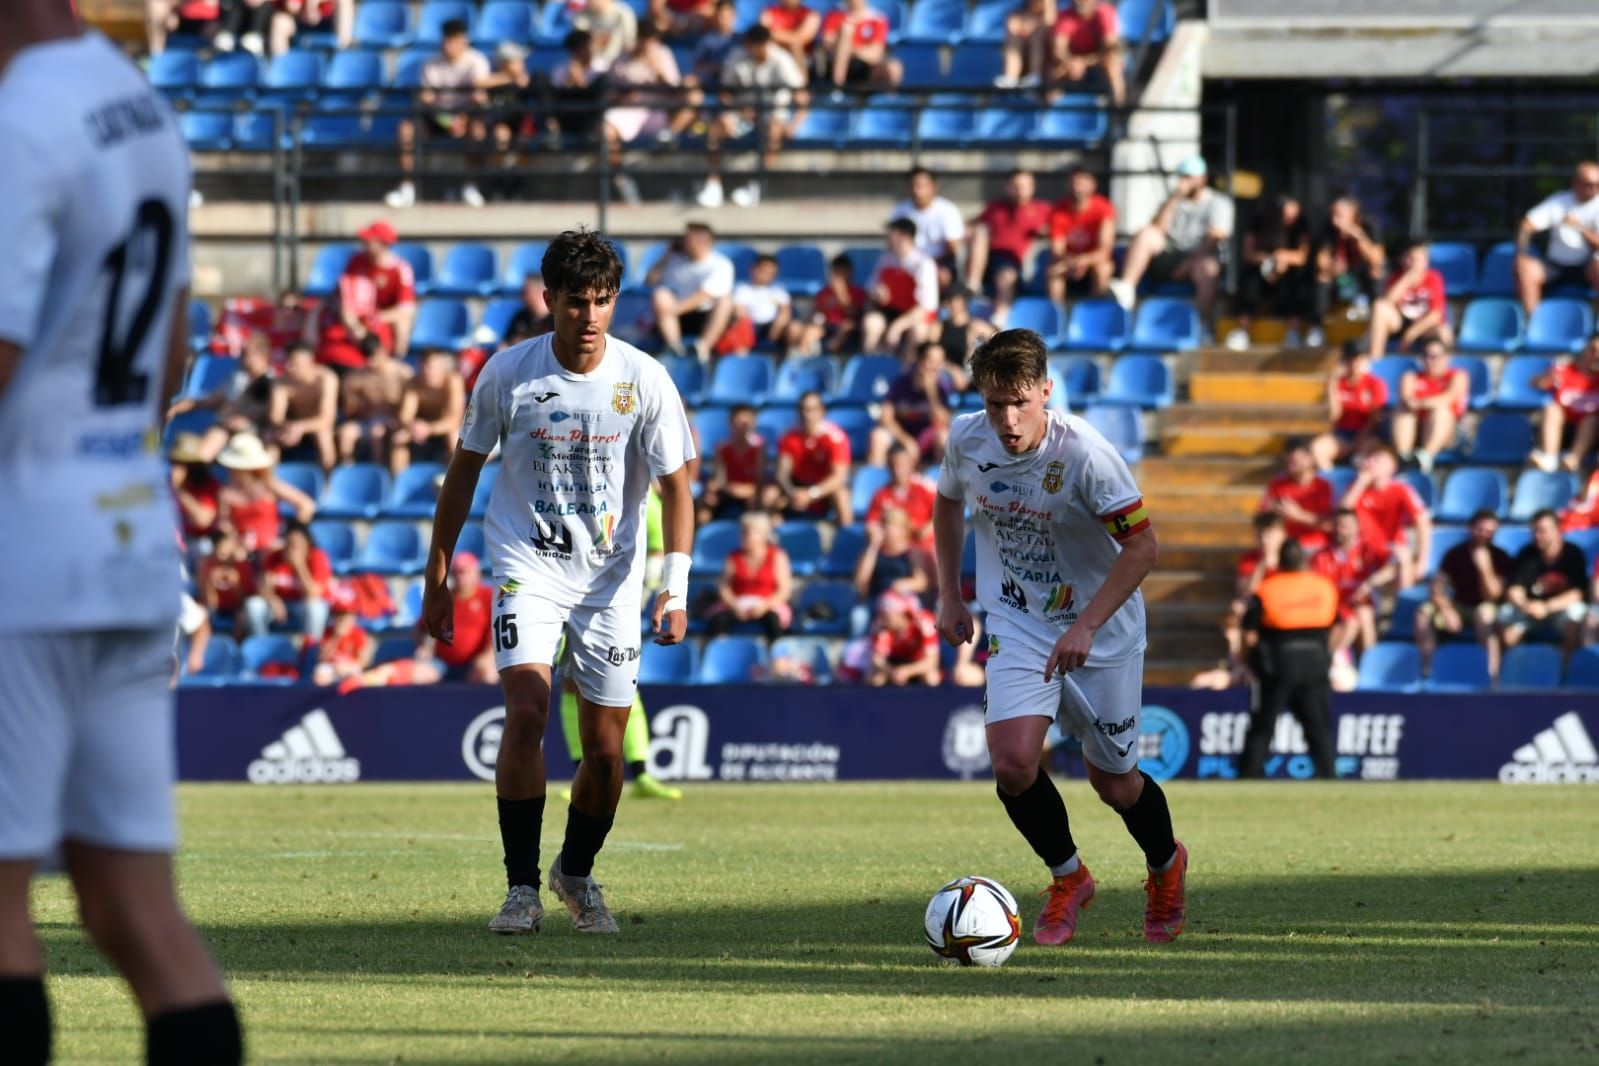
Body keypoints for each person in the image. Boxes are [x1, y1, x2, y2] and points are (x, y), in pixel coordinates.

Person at [0, 7, 243, 1061]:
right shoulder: (134, 104)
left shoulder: (19, 119)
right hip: (125, 535)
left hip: (21, 555)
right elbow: (175, 340)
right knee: (136, 911)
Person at [423, 228, 696, 937]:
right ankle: (520, 889)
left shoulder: (645, 379)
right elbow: (463, 471)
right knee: (528, 712)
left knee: (605, 751)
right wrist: (437, 572)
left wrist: (676, 585)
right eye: (576, 302)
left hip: (609, 581)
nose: (590, 317)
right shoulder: (508, 373)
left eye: (603, 301)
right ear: (549, 301)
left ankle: (574, 871)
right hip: (528, 566)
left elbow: (678, 488)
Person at [932, 328, 1185, 946]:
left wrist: (1087, 624)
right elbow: (945, 505)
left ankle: (1166, 867)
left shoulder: (1087, 457)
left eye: (1020, 402)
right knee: (1014, 765)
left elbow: (1143, 547)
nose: (1007, 419)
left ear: (1047, 391)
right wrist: (948, 592)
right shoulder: (966, 439)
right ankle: (1069, 878)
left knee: (1115, 783)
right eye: (995, 404)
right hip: (1019, 621)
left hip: (1102, 630)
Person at [1237, 541, 1339, 779]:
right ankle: (1329, 776)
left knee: (1263, 725)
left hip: (1277, 664)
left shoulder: (1267, 589)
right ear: (1304, 561)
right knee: (1319, 728)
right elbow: (1336, 625)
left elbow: (1249, 632)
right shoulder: (1324, 587)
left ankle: (1249, 775)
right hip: (1315, 662)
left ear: (1279, 563)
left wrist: (1249, 660)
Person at [1111, 156, 1233, 330]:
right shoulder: (1172, 201)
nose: (1185, 181)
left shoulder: (1218, 202)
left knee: (1208, 269)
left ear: (1203, 179)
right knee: (1146, 234)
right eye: (1182, 176)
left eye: (1190, 177)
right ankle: (1127, 287)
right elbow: (1157, 227)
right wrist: (1174, 198)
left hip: (1198, 257)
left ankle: (1200, 328)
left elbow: (1217, 237)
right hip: (1169, 257)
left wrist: (1189, 261)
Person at [384, 18, 492, 209]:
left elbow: (478, 98)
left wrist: (462, 119)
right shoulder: (430, 64)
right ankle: (407, 187)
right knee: (406, 130)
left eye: (453, 40)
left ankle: (471, 186)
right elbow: (427, 101)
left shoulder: (477, 61)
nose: (448, 45)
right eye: (446, 40)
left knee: (478, 131)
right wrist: (446, 120)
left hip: (466, 117)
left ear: (463, 41)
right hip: (436, 118)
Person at [699, 25, 809, 210]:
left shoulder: (782, 60)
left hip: (773, 115)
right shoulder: (737, 57)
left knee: (774, 129)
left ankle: (755, 186)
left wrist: (794, 124)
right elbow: (725, 92)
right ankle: (713, 183)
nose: (756, 50)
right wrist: (739, 108)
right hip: (742, 114)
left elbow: (801, 97)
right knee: (717, 127)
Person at [1415, 509, 1510, 678]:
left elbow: (1493, 596)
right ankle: (1428, 671)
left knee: (1484, 615)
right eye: (1480, 530)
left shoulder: (1500, 557)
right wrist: (1447, 610)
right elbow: (1436, 588)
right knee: (1422, 613)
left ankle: (1489, 675)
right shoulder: (1454, 554)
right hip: (1458, 605)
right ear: (1470, 529)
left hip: (1485, 606)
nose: (1484, 535)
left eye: (1489, 532)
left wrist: (1484, 568)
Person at [316, 220, 418, 368]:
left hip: (385, 314)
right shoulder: (357, 260)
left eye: (370, 240)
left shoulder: (400, 269)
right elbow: (346, 290)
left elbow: (406, 309)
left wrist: (379, 316)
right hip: (358, 312)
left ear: (382, 244)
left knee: (403, 324)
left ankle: (396, 362)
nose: (364, 243)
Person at [966, 169, 1052, 325]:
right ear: (1008, 187)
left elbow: (1057, 231)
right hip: (987, 260)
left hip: (1013, 262)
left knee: (1006, 275)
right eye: (1016, 186)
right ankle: (973, 285)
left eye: (1025, 186)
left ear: (1033, 187)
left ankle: (1000, 317)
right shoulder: (995, 208)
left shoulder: (1042, 210)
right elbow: (969, 226)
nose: (1020, 190)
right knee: (980, 231)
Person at [1499, 509, 1588, 659]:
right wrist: (1525, 605)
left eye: (1542, 531)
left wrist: (1546, 607)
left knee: (1576, 616)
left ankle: (1564, 669)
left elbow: (1577, 593)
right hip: (1530, 609)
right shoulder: (1526, 554)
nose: (1537, 536)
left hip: (1559, 609)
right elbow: (1514, 589)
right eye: (1534, 531)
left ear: (1557, 530)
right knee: (1505, 618)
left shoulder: (1573, 553)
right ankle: (1521, 668)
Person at [1515, 160, 1599, 315]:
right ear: (1576, 183)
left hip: (1587, 267)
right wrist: (1522, 252)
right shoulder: (1559, 201)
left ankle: (1597, 330)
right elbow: (1526, 225)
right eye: (1588, 184)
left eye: (1597, 185)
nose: (1594, 189)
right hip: (1554, 266)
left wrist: (1579, 228)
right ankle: (1534, 326)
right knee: (1524, 266)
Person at [1231, 193, 1312, 350]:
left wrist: (1284, 258)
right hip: (1262, 269)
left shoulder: (1301, 224)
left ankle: (1293, 332)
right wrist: (1269, 260)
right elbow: (1248, 254)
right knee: (1250, 278)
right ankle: (1243, 329)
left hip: (1288, 274)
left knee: (1299, 279)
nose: (1289, 220)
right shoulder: (1259, 220)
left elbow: (1303, 256)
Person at [1314, 508, 1396, 662]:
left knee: (1362, 615)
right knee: (1351, 621)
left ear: (1357, 527)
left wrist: (1370, 583)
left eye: (1345, 526)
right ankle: (1331, 663)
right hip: (1334, 611)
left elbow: (1392, 569)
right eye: (1338, 525)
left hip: (1362, 607)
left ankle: (1368, 666)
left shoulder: (1368, 550)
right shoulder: (1323, 556)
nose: (1340, 530)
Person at [1342, 446, 1430, 590]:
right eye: (1369, 458)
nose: (1371, 463)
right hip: (1362, 549)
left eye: (1378, 459)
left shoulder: (1401, 489)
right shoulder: (1357, 488)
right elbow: (1342, 513)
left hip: (1390, 549)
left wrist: (1422, 560)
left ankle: (1399, 604)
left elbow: (1423, 521)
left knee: (1403, 558)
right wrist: (1361, 483)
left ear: (1392, 467)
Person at [215, 431, 317, 553]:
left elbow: (306, 505)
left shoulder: (269, 486)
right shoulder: (225, 492)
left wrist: (289, 536)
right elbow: (224, 524)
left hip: (273, 551)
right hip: (241, 552)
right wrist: (236, 540)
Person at [649, 222, 736, 359]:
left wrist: (670, 311)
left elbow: (704, 295)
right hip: (678, 318)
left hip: (706, 317)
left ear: (701, 241)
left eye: (686, 239)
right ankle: (674, 346)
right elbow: (650, 281)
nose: (682, 242)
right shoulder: (675, 261)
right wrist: (666, 255)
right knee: (661, 294)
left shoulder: (721, 264)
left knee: (725, 301)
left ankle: (703, 348)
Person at [705, 510, 794, 641]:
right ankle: (721, 651)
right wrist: (735, 606)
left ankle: (778, 656)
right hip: (737, 604)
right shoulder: (733, 557)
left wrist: (764, 606)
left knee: (774, 621)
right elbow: (724, 587)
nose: (743, 536)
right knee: (719, 620)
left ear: (762, 535)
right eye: (742, 532)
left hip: (768, 604)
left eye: (747, 532)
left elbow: (784, 591)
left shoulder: (777, 556)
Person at [767, 391, 852, 521]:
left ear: (821, 411)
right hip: (797, 486)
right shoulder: (789, 436)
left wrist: (811, 494)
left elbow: (838, 478)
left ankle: (846, 536)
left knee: (842, 496)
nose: (807, 415)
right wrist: (792, 492)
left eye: (812, 409)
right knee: (769, 495)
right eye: (803, 409)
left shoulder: (836, 438)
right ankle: (769, 537)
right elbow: (782, 473)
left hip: (823, 489)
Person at [868, 340, 956, 465]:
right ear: (920, 362)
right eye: (931, 361)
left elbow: (942, 421)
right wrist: (906, 441)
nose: (936, 367)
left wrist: (931, 392)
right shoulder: (900, 383)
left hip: (926, 436)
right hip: (902, 435)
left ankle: (939, 480)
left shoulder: (942, 387)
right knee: (878, 437)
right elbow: (886, 418)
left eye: (940, 362)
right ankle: (875, 481)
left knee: (943, 437)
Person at [861, 217, 940, 356]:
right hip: (890, 311)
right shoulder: (885, 259)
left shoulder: (923, 264)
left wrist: (896, 327)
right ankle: (870, 364)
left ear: (904, 236)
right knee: (871, 322)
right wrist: (876, 293)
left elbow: (926, 307)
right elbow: (870, 288)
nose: (887, 237)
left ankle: (908, 368)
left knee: (918, 331)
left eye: (891, 233)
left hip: (913, 316)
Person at [244, 519, 333, 638]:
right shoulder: (275, 557)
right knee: (254, 604)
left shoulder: (317, 557)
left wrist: (300, 566)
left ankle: (310, 650)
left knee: (316, 608)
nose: (293, 547)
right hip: (280, 603)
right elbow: (262, 586)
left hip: (302, 604)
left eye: (298, 543)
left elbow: (313, 594)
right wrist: (273, 599)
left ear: (307, 543)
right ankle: (260, 645)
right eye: (289, 543)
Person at [1312, 196, 1385, 341]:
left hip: (1362, 274)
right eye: (1332, 215)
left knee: (1376, 273)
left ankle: (1374, 326)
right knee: (1321, 277)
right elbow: (1321, 261)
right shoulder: (1328, 229)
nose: (1335, 220)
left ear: (1352, 213)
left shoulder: (1369, 226)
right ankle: (1317, 327)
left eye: (1338, 215)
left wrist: (1358, 237)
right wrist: (1333, 267)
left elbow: (1377, 260)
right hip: (1340, 277)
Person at [1391, 338, 1468, 474]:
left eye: (1434, 356)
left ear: (1446, 358)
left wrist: (1421, 403)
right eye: (1425, 356)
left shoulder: (1457, 376)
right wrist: (1419, 403)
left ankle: (1425, 457)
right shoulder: (1411, 376)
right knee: (1402, 410)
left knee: (1440, 411)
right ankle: (1403, 457)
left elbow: (1448, 398)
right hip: (1417, 428)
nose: (1429, 360)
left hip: (1447, 431)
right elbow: (1406, 399)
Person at [1310, 341, 1388, 471]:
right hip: (1342, 434)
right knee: (1318, 449)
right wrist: (1331, 384)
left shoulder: (1374, 384)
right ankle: (1332, 483)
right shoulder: (1338, 384)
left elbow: (1375, 418)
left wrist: (1356, 442)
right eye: (1351, 359)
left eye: (1358, 359)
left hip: (1366, 434)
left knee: (1366, 454)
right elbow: (1334, 415)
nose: (1355, 363)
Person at [337, 333, 413, 466]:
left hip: (394, 419)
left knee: (376, 432)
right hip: (367, 419)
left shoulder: (403, 373)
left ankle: (377, 471)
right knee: (346, 433)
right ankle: (346, 473)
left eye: (374, 356)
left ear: (382, 351)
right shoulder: (355, 378)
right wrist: (358, 403)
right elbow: (350, 411)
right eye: (367, 357)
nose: (371, 362)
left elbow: (410, 405)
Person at [1367, 241, 1453, 358]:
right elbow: (1387, 302)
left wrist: (1411, 333)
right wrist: (1406, 280)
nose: (1415, 264)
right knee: (1379, 306)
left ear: (1426, 261)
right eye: (1411, 259)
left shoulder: (1434, 278)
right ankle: (1375, 360)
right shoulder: (1396, 277)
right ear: (1403, 260)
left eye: (1419, 259)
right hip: (1401, 322)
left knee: (1444, 332)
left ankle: (1443, 369)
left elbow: (1436, 315)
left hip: (1424, 326)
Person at [1045, 166, 1116, 307]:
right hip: (1069, 262)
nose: (1078, 188)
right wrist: (1072, 263)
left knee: (1103, 269)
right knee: (1053, 272)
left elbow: (1104, 251)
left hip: (1092, 263)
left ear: (1093, 185)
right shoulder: (1058, 211)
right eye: (1074, 183)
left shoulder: (1104, 208)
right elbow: (1057, 250)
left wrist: (1083, 261)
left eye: (1082, 183)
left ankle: (1094, 314)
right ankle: (1057, 317)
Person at [390, 349, 466, 475]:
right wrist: (413, 426)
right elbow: (405, 416)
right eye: (423, 366)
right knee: (399, 438)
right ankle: (399, 482)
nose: (427, 371)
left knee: (454, 438)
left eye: (431, 367)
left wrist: (428, 429)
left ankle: (456, 482)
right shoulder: (414, 383)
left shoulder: (453, 382)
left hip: (443, 429)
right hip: (421, 429)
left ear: (442, 369)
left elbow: (454, 420)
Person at [1532, 334, 1599, 473]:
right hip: (1564, 427)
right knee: (1552, 408)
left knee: (1591, 420)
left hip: (1591, 431)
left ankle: (1574, 459)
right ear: (1585, 350)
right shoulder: (1564, 370)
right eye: (1592, 350)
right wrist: (1544, 380)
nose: (1596, 356)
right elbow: (1536, 383)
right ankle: (1549, 457)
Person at [268, 340, 338, 471]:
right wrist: (287, 427)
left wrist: (301, 427)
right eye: (287, 362)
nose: (288, 367)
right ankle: (269, 482)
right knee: (270, 437)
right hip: (292, 427)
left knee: (323, 436)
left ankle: (327, 483)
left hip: (315, 426)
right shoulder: (281, 383)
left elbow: (327, 419)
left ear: (309, 363)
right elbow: (275, 417)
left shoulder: (326, 379)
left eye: (294, 364)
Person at [432, 551, 498, 683]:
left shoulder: (488, 596)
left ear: (476, 573)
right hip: (442, 663)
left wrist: (488, 656)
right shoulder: (444, 598)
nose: (460, 576)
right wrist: (423, 647)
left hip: (475, 662)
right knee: (418, 673)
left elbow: (496, 629)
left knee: (488, 674)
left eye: (464, 571)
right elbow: (422, 626)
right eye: (456, 572)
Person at [890, 166, 966, 277]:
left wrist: (929, 265)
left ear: (933, 187)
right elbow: (892, 243)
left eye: (920, 186)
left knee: (942, 276)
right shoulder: (899, 210)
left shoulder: (948, 210)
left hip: (939, 265)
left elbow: (953, 248)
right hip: (906, 265)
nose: (916, 191)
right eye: (912, 186)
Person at [1258, 438, 1332, 551]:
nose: (1291, 465)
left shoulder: (1322, 487)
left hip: (1313, 544)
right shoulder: (1278, 484)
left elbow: (1329, 525)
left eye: (1295, 460)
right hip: (1285, 545)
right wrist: (1273, 510)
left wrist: (1298, 515)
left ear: (1310, 459)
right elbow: (1263, 513)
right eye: (1289, 460)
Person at [698, 405, 766, 524]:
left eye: (747, 423)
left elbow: (760, 479)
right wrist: (713, 490)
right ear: (731, 424)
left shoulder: (758, 448)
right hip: (728, 492)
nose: (743, 427)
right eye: (738, 422)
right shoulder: (722, 448)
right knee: (704, 511)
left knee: (757, 502)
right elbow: (719, 478)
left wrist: (747, 490)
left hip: (751, 494)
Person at [1049, 0, 1124, 108]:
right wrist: (1071, 62)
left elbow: (1109, 49)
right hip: (1074, 63)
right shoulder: (1065, 15)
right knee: (1054, 73)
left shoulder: (1105, 12)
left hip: (1099, 62)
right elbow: (1058, 49)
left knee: (1113, 66)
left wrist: (1083, 62)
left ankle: (1118, 114)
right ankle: (1048, 116)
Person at [866, 443, 939, 547]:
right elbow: (872, 523)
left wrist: (927, 529)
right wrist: (874, 533)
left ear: (911, 464)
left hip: (923, 547)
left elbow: (944, 515)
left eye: (901, 465)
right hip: (892, 549)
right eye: (893, 465)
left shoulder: (925, 488)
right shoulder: (881, 494)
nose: (897, 470)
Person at [721, 252, 793, 355]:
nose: (765, 275)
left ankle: (790, 357)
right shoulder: (742, 289)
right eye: (762, 271)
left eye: (770, 273)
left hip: (771, 328)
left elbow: (785, 311)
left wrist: (777, 328)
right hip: (749, 327)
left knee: (793, 328)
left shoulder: (779, 291)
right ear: (753, 269)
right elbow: (740, 312)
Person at [819, 0, 901, 90]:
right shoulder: (835, 16)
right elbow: (827, 44)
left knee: (894, 67)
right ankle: (837, 88)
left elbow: (875, 53)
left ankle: (889, 101)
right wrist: (844, 43)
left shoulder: (877, 19)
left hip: (867, 67)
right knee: (846, 32)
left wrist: (848, 49)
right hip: (836, 64)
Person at [854, 505, 930, 602]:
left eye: (891, 526)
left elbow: (921, 583)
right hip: (877, 601)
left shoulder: (912, 553)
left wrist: (904, 584)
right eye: (884, 526)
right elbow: (860, 581)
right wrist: (873, 546)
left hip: (903, 600)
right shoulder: (872, 552)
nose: (886, 531)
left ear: (903, 530)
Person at [798, 253, 867, 355]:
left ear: (850, 273)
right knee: (809, 332)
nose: (840, 278)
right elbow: (817, 312)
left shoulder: (857, 292)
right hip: (827, 325)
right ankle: (804, 362)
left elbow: (853, 313)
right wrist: (816, 320)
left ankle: (830, 355)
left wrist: (841, 293)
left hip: (848, 326)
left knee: (846, 327)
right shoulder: (823, 293)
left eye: (843, 273)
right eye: (837, 273)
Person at [868, 591, 941, 686]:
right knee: (876, 678)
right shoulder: (881, 627)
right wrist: (892, 671)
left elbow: (932, 661)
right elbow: (877, 659)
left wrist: (907, 671)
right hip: (893, 663)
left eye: (887, 614)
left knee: (931, 677)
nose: (883, 619)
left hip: (918, 663)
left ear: (900, 612)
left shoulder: (924, 622)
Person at [198, 528, 258, 636]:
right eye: (221, 553)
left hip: (236, 608)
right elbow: (211, 604)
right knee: (201, 615)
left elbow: (244, 601)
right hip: (217, 608)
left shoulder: (242, 566)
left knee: (243, 616)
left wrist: (236, 585)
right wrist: (210, 584)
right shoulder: (207, 566)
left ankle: (235, 645)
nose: (224, 558)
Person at [311, 586, 374, 687]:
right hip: (331, 667)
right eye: (339, 614)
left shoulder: (359, 634)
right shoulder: (327, 632)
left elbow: (364, 662)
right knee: (320, 675)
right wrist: (336, 637)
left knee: (359, 678)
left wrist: (348, 666)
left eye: (347, 615)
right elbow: (321, 658)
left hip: (350, 667)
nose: (343, 619)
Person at [170, 433, 223, 543]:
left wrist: (179, 490)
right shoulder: (165, 485)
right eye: (174, 463)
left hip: (203, 543)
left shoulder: (209, 485)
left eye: (184, 464)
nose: (176, 468)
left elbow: (203, 520)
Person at [995, 0, 1055, 90]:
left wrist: (1034, 25)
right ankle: (1011, 76)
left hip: (1044, 54)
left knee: (1038, 35)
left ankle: (1035, 76)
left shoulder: (1049, 7)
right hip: (1022, 45)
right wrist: (1022, 27)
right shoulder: (1019, 7)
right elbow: (1012, 22)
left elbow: (1050, 20)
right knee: (1013, 37)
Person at [270, 0, 353, 56]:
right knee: (280, 21)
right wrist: (305, 8)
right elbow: (292, 6)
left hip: (330, 21)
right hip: (301, 21)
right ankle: (281, 69)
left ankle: (343, 51)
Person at [573, 0, 638, 68]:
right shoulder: (582, 14)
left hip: (616, 64)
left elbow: (629, 45)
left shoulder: (623, 14)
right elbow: (577, 43)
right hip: (586, 63)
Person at [761, 0, 820, 68]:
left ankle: (801, 78)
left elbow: (804, 38)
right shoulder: (768, 12)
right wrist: (793, 36)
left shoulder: (811, 14)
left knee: (795, 46)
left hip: (803, 56)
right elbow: (763, 35)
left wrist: (774, 34)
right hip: (774, 52)